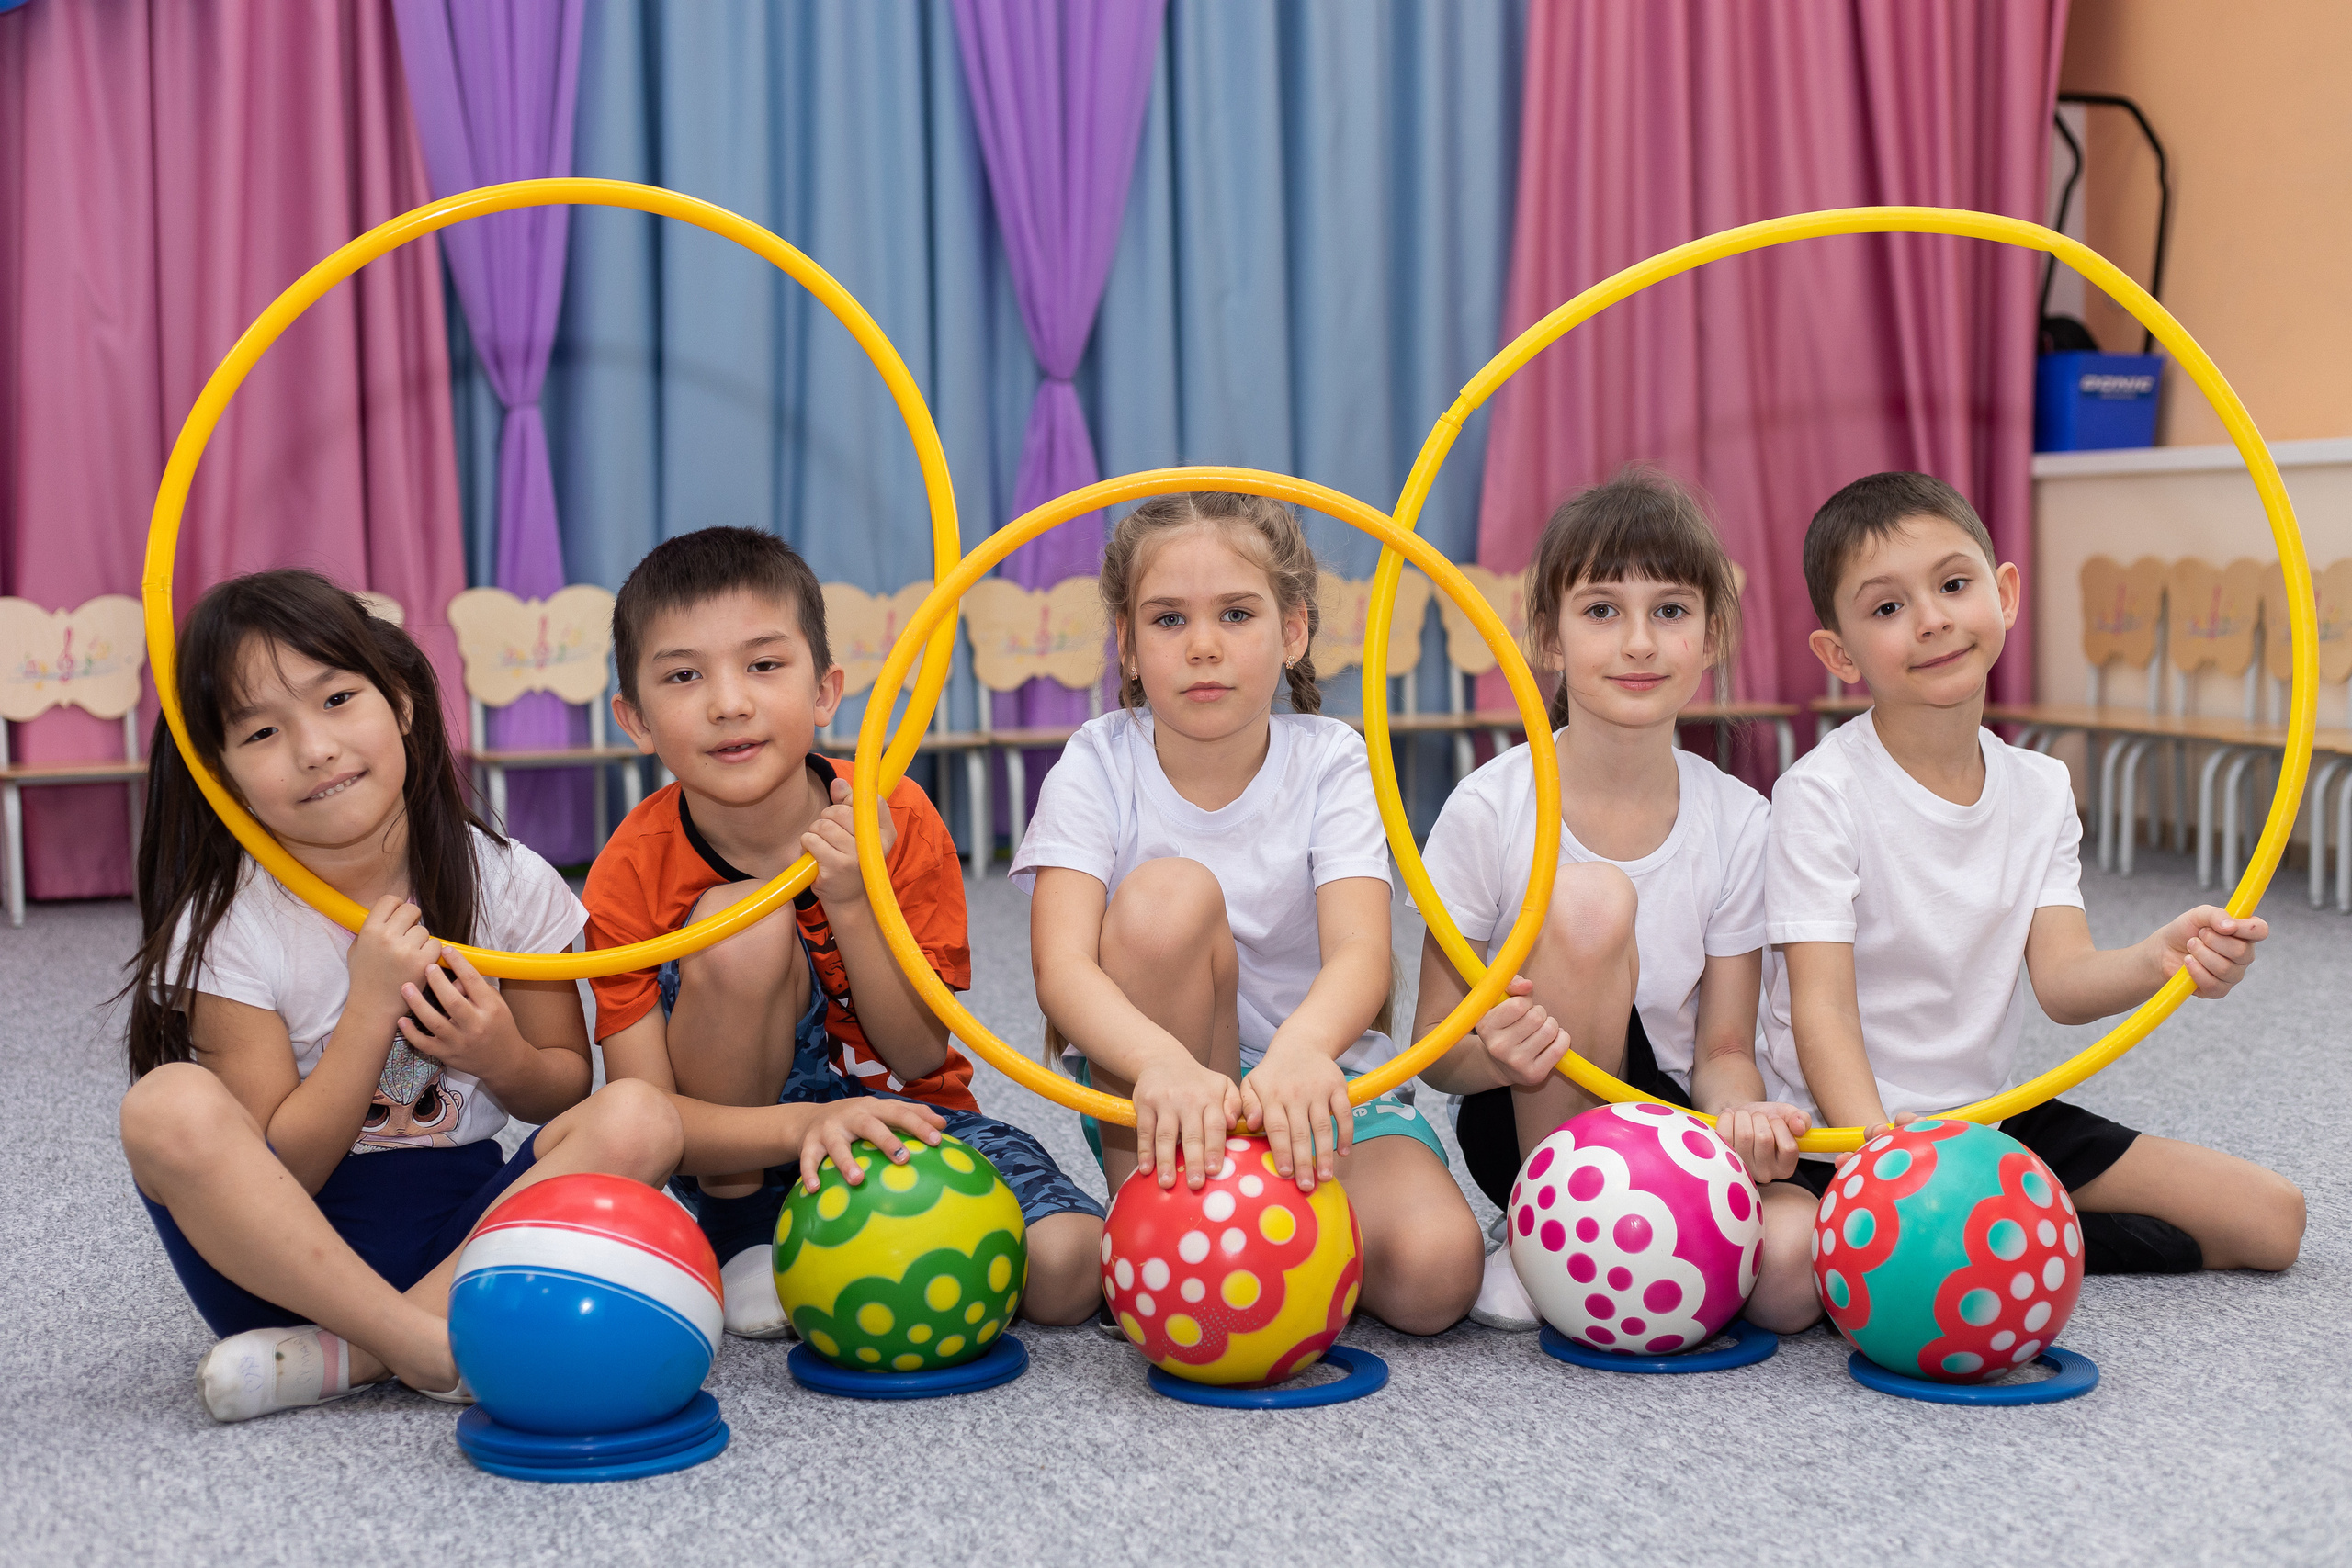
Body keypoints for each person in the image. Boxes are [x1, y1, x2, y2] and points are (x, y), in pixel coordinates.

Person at [119, 571, 683, 1424]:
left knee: (644, 1116)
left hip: (468, 1240)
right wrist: (368, 1009)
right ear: (221, 776)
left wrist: (498, 1056)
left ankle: (357, 1358)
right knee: (165, 1106)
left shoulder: (507, 877)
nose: (315, 747)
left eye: (339, 698)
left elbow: (565, 1085)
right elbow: (284, 1169)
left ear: (405, 705)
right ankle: (419, 1346)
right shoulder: (232, 921)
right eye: (263, 731)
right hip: (281, 1267)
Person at [1765, 470, 2306, 1274]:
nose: (1933, 620)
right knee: (1795, 1271)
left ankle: (2003, 1233)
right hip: (1845, 1134)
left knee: (2272, 1221)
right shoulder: (1820, 794)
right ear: (1839, 654)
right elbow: (1822, 1012)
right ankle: (1997, 1233)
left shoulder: (2041, 785)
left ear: (2005, 593)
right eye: (1887, 607)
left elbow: (2064, 978)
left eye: (1954, 584)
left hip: (1986, 1120)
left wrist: (2160, 958)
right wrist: (1882, 1154)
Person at [585, 527, 1103, 1338]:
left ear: (825, 692)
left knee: (1070, 1269)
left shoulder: (897, 815)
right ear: (635, 718)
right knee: (742, 921)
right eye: (684, 676)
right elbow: (651, 1116)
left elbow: (919, 1054)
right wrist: (795, 1135)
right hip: (734, 1155)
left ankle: (826, 1230)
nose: (729, 701)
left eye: (764, 665)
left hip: (903, 1117)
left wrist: (857, 902)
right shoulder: (628, 869)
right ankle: (743, 1224)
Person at [1016, 491, 1483, 1336]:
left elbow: (1360, 953)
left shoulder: (1332, 758)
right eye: (1167, 620)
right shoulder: (1096, 761)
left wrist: (1304, 1054)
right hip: (1163, 1087)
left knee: (1436, 1276)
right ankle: (1179, 1208)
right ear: (1126, 644)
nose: (1203, 646)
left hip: (1318, 1081)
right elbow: (1060, 967)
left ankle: (1257, 1218)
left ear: (1293, 630)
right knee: (1168, 895)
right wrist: (1162, 1064)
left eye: (1236, 613)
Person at [1412, 468, 1819, 1336]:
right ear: (1549, 639)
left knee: (1789, 1277)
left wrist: (1740, 1113)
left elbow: (1720, 1050)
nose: (1639, 642)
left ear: (1711, 638)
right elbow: (1435, 1056)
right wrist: (1498, 1053)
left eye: (1670, 611)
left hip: (1666, 1110)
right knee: (1591, 899)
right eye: (1602, 610)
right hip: (1522, 1120)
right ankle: (1545, 1235)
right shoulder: (1490, 808)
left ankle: (1637, 1236)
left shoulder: (1743, 822)